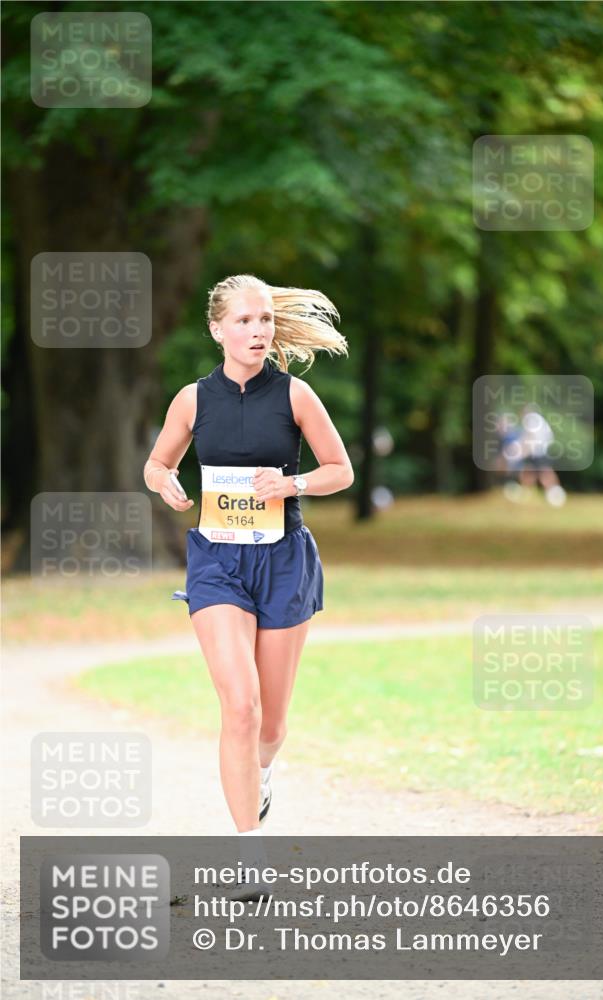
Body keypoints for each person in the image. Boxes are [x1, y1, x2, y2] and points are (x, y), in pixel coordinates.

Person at [143, 274, 353, 897]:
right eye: (244, 320)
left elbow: (341, 470)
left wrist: (294, 484)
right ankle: (249, 854)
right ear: (217, 329)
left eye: (265, 320)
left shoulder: (295, 395)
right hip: (217, 563)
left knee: (271, 726)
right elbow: (156, 462)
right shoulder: (192, 399)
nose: (258, 331)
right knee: (239, 705)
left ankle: (259, 775)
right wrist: (165, 482)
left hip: (283, 560)